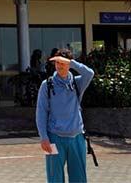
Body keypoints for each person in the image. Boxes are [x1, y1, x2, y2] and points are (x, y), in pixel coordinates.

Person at [36, 48, 94, 183]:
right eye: (57, 63)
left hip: (77, 138)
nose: (59, 66)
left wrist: (72, 63)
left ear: (69, 64)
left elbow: (89, 73)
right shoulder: (47, 85)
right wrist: (43, 137)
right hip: (53, 138)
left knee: (79, 178)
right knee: (54, 178)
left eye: (62, 63)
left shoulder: (77, 82)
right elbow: (41, 112)